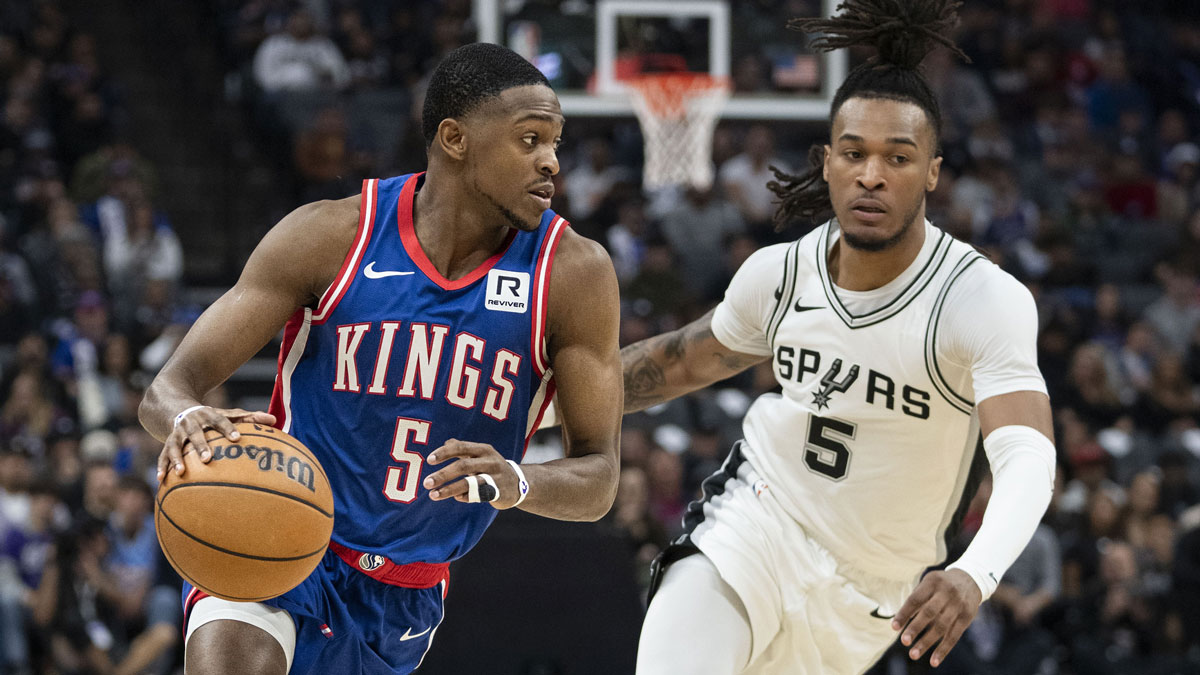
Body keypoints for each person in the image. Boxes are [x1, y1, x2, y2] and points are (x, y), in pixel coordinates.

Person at [570, 2, 1055, 673]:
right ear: (826, 162)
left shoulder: (978, 299)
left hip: (871, 598)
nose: (872, 174)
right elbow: (682, 361)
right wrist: (545, 397)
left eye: (898, 156)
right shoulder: (780, 272)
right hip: (755, 527)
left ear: (934, 172)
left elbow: (1028, 456)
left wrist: (978, 571)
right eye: (854, 153)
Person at [139, 42, 622, 675]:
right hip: (276, 525)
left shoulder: (572, 274)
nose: (551, 162)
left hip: (404, 594)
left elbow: (599, 477)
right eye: (529, 140)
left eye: (555, 142)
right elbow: (169, 388)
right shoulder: (334, 234)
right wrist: (186, 418)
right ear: (454, 139)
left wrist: (519, 480)